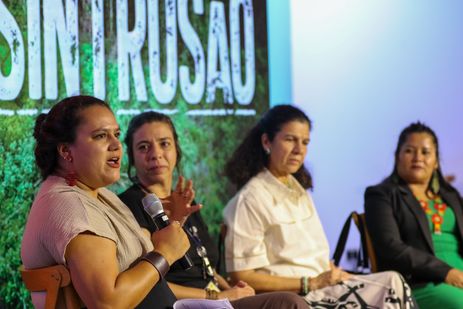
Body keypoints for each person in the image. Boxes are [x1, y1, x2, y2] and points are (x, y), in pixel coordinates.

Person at [223, 105, 417, 308]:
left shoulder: (298, 190)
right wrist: (310, 282)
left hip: (323, 288)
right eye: (290, 140)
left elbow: (311, 255)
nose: (299, 150)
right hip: (297, 297)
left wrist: (330, 272)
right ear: (266, 141)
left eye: (305, 142)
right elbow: (242, 276)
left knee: (393, 282)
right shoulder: (250, 199)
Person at [119, 111, 309, 309]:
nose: (155, 154)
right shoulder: (130, 206)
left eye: (164, 144)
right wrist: (218, 296)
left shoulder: (184, 200)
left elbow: (206, 265)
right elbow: (147, 283)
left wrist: (236, 290)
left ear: (177, 149)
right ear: (131, 157)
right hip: (180, 305)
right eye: (143, 147)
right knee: (289, 303)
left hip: (217, 299)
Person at [21, 96, 191, 309]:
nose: (116, 145)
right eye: (101, 136)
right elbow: (108, 302)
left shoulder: (96, 193)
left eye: (117, 134)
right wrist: (165, 253)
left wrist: (170, 227)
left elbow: (126, 251)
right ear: (65, 151)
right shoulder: (71, 205)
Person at [364, 122, 463, 308]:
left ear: (436, 161)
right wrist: (446, 272)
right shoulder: (381, 194)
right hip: (419, 282)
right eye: (409, 151)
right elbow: (390, 247)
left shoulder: (451, 196)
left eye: (426, 152)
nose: (418, 157)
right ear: (397, 157)